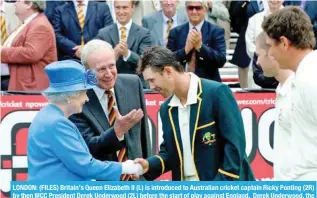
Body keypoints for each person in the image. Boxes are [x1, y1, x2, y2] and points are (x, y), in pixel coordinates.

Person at [135, 46, 255, 181]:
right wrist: (148, 165)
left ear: (168, 71)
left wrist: (219, 188)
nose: (151, 87)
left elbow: (235, 145)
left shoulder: (217, 93)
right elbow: (170, 152)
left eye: (152, 80)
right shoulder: (166, 109)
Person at [27, 60, 143, 181]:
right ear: (69, 96)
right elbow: (86, 166)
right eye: (84, 93)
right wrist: (124, 167)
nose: (87, 99)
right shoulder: (57, 123)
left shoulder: (47, 116)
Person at [69, 39, 152, 181]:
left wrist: (147, 175)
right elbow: (88, 149)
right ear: (87, 72)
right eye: (101, 69)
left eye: (112, 66)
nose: (109, 74)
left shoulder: (132, 83)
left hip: (137, 181)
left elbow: (143, 137)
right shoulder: (77, 99)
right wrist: (117, 132)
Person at [262, 6, 317, 180]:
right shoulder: (303, 76)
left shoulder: (310, 79)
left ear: (284, 43)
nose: (269, 53)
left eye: (270, 46)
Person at [255, 31, 294, 180]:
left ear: (271, 54)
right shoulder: (282, 88)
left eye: (258, 55)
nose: (257, 62)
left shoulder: (298, 89)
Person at [1, 0, 57, 91]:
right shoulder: (29, 23)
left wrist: (2, 52)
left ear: (29, 4)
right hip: (19, 81)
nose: (14, 4)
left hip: (31, 87)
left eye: (18, 1)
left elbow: (31, 53)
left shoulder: (40, 25)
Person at [95, 0, 152, 88]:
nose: (121, 12)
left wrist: (127, 54)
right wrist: (112, 56)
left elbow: (145, 62)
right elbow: (96, 63)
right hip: (109, 84)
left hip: (136, 84)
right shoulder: (103, 33)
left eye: (125, 7)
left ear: (133, 7)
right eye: (118, 8)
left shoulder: (144, 33)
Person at [167, 0, 226, 82]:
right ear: (186, 9)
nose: (194, 11)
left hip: (208, 84)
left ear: (205, 9)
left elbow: (221, 61)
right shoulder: (175, 32)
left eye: (198, 8)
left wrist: (201, 47)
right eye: (191, 8)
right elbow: (168, 61)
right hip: (181, 84)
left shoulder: (216, 31)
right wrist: (185, 50)